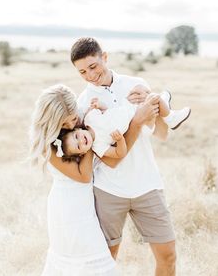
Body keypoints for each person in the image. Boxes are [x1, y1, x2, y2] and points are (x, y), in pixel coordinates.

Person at [70, 37, 179, 276]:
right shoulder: (83, 104)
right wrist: (135, 118)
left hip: (147, 185)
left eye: (93, 66)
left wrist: (155, 112)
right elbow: (103, 153)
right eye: (82, 72)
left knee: (168, 256)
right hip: (109, 191)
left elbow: (161, 135)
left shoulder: (136, 84)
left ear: (105, 57)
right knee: (107, 262)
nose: (89, 75)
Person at [29, 83, 159, 275]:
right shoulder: (50, 147)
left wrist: (129, 108)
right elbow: (83, 176)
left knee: (96, 261)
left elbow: (108, 133)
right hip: (67, 210)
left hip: (88, 203)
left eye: (72, 119)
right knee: (82, 259)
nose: (71, 125)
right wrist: (91, 138)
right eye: (64, 124)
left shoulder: (83, 117)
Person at [53, 88, 191, 160]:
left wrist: (99, 104)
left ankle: (165, 106)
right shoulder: (98, 147)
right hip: (139, 123)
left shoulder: (89, 117)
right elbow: (120, 153)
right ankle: (171, 117)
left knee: (141, 89)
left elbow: (106, 110)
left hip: (128, 109)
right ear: (83, 153)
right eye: (79, 146)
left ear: (77, 129)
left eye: (76, 136)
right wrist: (119, 140)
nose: (81, 140)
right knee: (154, 99)